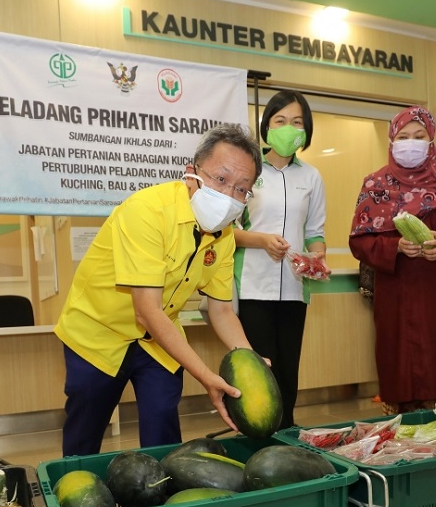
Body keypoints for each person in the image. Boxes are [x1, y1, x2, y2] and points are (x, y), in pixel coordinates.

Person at [55, 123, 263, 456]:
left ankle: (162, 502)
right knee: (85, 431)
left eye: (241, 189)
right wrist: (207, 376)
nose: (228, 196)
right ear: (191, 172)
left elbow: (221, 309)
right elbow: (146, 309)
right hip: (98, 333)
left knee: (164, 428)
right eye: (221, 179)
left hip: (157, 341)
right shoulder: (148, 211)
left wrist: (250, 361)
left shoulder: (224, 237)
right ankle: (73, 500)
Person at [349, 106, 436, 415]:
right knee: (401, 359)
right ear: (392, 140)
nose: (411, 143)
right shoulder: (375, 184)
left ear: (431, 139)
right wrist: (395, 246)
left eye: (419, 136)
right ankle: (406, 432)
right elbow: (359, 240)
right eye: (403, 136)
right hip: (396, 292)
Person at [234, 90, 326, 429]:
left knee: (288, 370)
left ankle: (287, 436)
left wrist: (317, 259)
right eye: (280, 120)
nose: (289, 128)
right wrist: (261, 241)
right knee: (259, 371)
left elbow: (316, 232)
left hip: (294, 290)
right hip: (253, 288)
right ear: (267, 126)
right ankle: (256, 435)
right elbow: (225, 230)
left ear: (306, 129)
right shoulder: (248, 170)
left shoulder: (311, 177)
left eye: (297, 122)